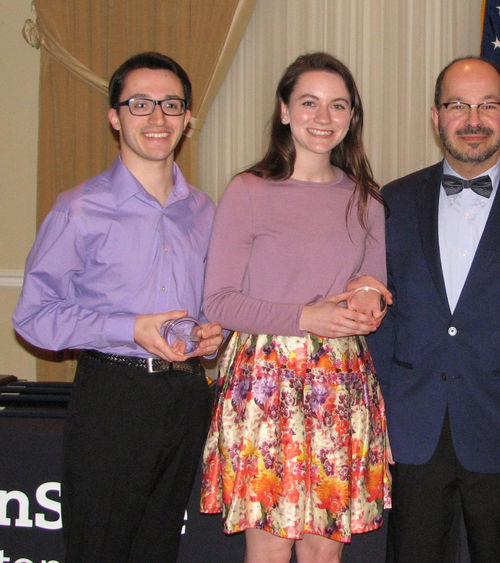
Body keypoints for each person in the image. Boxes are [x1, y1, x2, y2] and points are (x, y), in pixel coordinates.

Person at [12, 51, 224, 561]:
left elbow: (205, 305)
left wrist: (209, 335)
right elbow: (33, 316)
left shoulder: (204, 210)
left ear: (188, 118)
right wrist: (129, 328)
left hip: (187, 396)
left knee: (157, 549)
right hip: (114, 396)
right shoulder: (79, 208)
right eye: (140, 104)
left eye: (171, 105)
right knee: (100, 548)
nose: (157, 118)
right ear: (115, 117)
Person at [367, 57, 500, 562]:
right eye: (457, 105)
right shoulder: (392, 201)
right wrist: (377, 419)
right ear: (435, 116)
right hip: (412, 428)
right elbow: (382, 322)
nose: (473, 118)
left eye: (488, 104)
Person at [199, 52, 390, 563]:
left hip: (341, 382)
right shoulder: (249, 191)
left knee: (323, 553)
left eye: (337, 106)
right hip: (266, 382)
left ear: (352, 117)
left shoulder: (367, 200)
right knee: (269, 550)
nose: (323, 118)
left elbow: (372, 287)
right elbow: (218, 301)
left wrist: (369, 303)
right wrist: (306, 318)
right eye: (309, 103)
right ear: (284, 110)